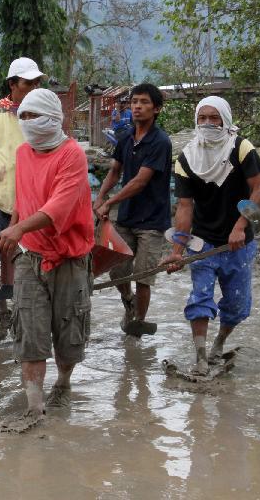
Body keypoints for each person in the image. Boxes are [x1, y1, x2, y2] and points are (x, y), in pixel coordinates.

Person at [0, 88, 94, 431]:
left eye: (34, 116)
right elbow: (23, 201)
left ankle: (63, 383)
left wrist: (17, 229)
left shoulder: (72, 155)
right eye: (22, 116)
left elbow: (58, 208)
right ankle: (35, 408)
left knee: (69, 334)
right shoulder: (23, 153)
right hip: (30, 255)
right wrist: (12, 231)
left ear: (53, 118)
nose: (27, 123)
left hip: (70, 256)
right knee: (29, 333)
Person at [163, 96, 260, 375]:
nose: (208, 123)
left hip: (239, 242)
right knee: (200, 297)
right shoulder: (186, 159)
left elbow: (258, 189)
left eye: (214, 118)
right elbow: (185, 207)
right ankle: (200, 357)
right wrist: (177, 251)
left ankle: (219, 343)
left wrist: (239, 227)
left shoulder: (242, 149)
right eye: (202, 118)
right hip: (203, 241)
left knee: (236, 302)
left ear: (225, 120)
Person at [0, 57, 44, 342]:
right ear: (13, 85)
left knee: (26, 262)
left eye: (37, 83)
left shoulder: (41, 114)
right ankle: (2, 311)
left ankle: (23, 316)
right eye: (28, 83)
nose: (33, 87)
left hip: (31, 202)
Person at [93, 83, 172, 338]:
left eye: (144, 102)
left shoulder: (160, 142)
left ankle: (138, 321)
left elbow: (140, 180)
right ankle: (128, 301)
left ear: (157, 108)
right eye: (134, 101)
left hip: (152, 221)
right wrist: (100, 196)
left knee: (144, 275)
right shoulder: (126, 138)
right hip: (126, 217)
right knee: (117, 269)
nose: (137, 106)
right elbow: (115, 171)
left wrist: (109, 203)